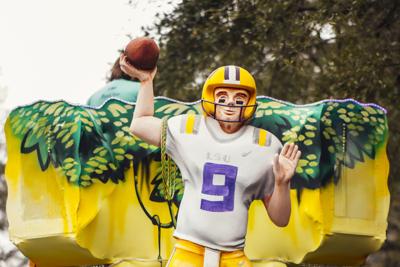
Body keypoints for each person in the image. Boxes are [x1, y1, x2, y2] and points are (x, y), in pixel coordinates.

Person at [119, 55, 301, 267]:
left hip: (233, 256)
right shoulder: (189, 129)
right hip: (189, 251)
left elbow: (280, 219)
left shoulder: (264, 145)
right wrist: (146, 82)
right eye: (222, 97)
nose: (231, 103)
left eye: (239, 99)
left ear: (249, 103)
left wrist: (282, 183)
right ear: (210, 99)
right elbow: (139, 125)